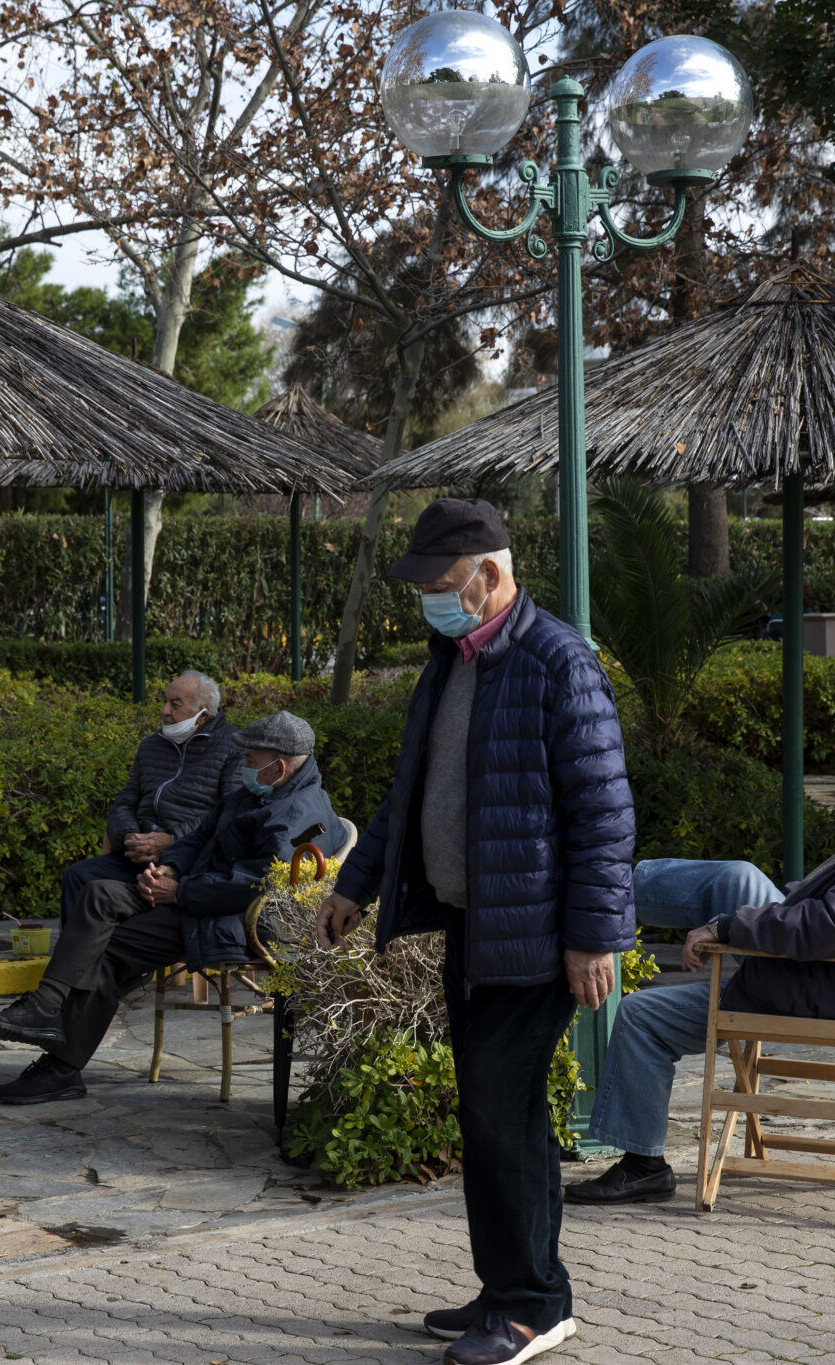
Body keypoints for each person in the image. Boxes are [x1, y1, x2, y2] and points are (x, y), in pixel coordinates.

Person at [315, 498, 635, 1365]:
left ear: (489, 574)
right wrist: (358, 881)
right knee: (497, 1116)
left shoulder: (557, 661)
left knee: (503, 1115)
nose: (428, 597)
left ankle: (531, 1308)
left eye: (439, 583)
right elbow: (407, 792)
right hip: (474, 926)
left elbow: (603, 814)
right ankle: (512, 1287)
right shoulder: (452, 659)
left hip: (537, 939)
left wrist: (592, 937)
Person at [566, 722, 835, 1207]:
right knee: (739, 879)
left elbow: (826, 929)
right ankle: (610, 888)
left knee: (640, 1017)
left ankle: (642, 1168)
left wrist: (727, 929)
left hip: (817, 986)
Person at [0, 711, 346, 1105]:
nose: (245, 767)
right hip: (196, 896)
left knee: (103, 947)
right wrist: (168, 868)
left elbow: (257, 884)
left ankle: (59, 1064)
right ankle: (45, 1009)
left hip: (230, 919)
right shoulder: (253, 794)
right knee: (97, 893)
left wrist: (179, 892)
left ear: (280, 767)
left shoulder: (298, 812)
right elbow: (200, 836)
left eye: (251, 761)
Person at [59, 670, 242, 922]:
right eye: (164, 701)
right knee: (78, 875)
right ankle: (77, 959)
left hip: (188, 861)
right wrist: (129, 836)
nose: (164, 710)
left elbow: (229, 812)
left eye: (175, 704)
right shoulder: (151, 745)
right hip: (138, 857)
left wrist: (171, 840)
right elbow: (125, 802)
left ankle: (113, 955)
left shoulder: (233, 747)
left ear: (202, 715)